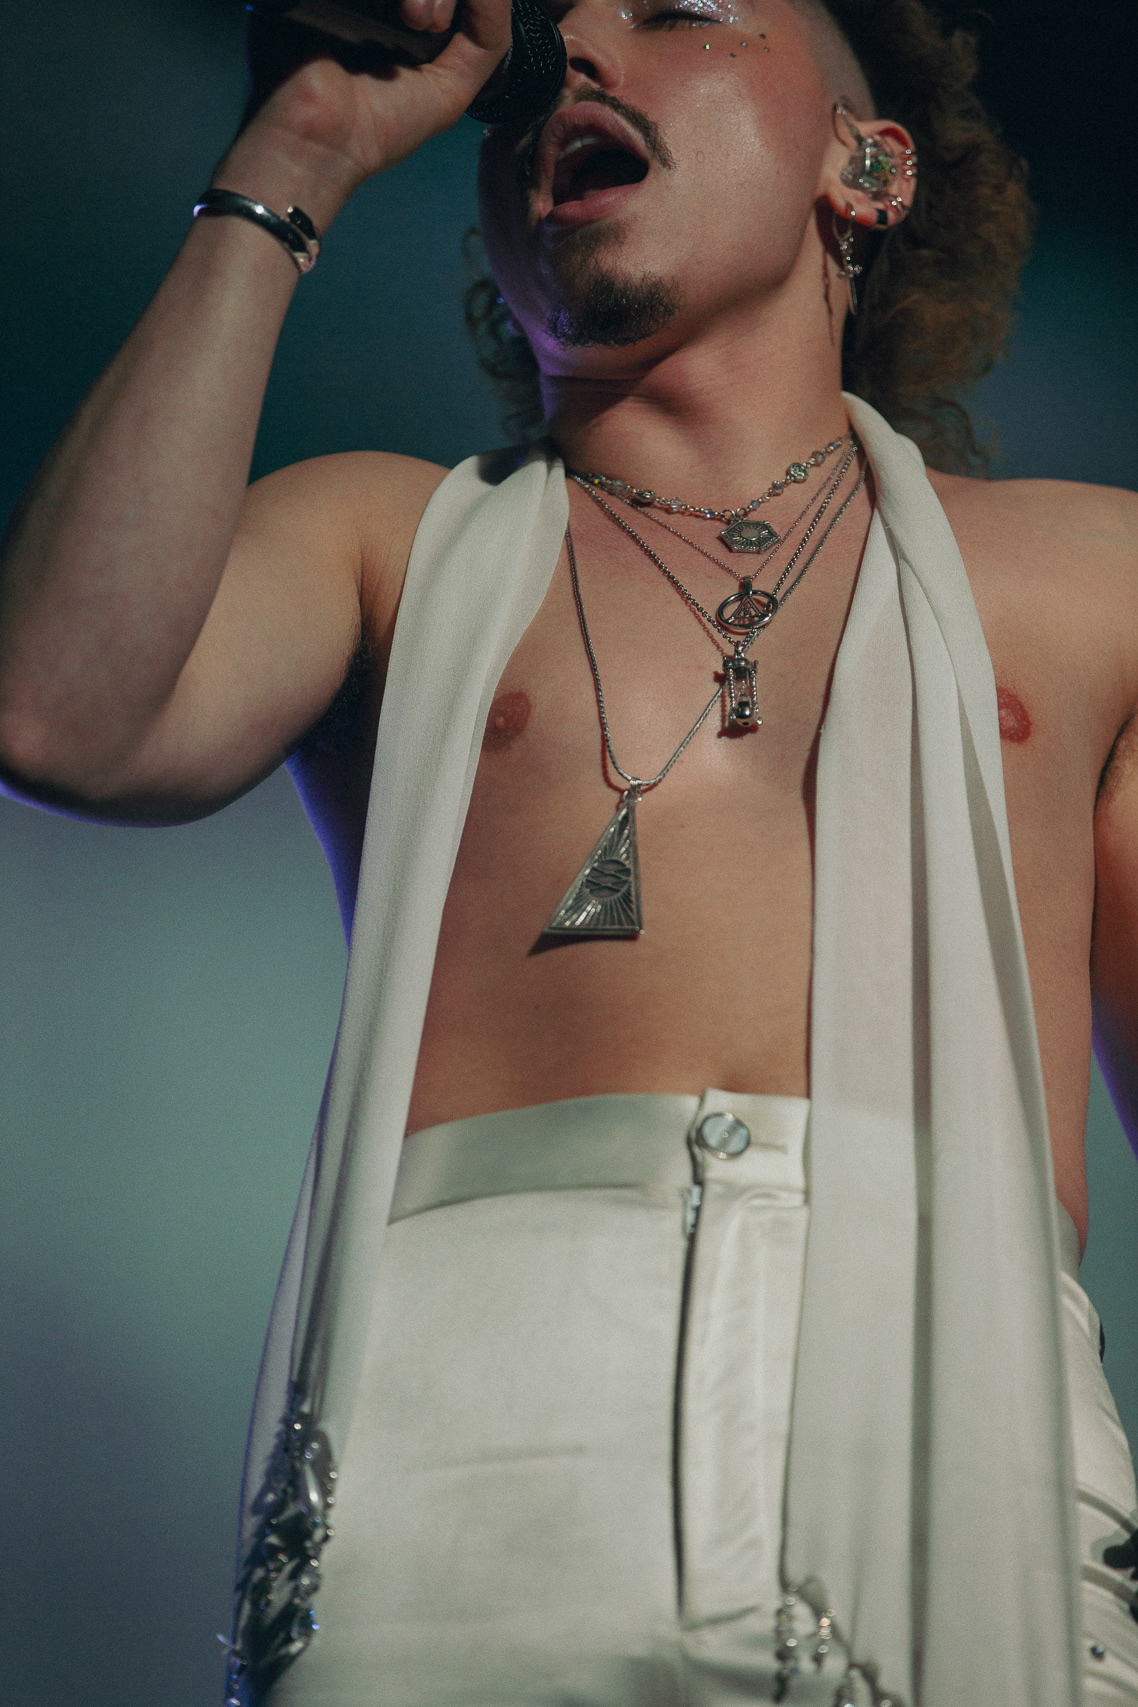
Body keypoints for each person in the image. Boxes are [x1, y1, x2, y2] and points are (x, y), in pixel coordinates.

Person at [1, 0, 1136, 1701]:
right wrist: (291, 152)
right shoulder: (386, 539)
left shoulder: (1096, 580)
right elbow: (63, 716)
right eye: (546, 45)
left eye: (674, 11)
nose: (576, 59)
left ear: (865, 163)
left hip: (956, 1459)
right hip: (466, 1474)